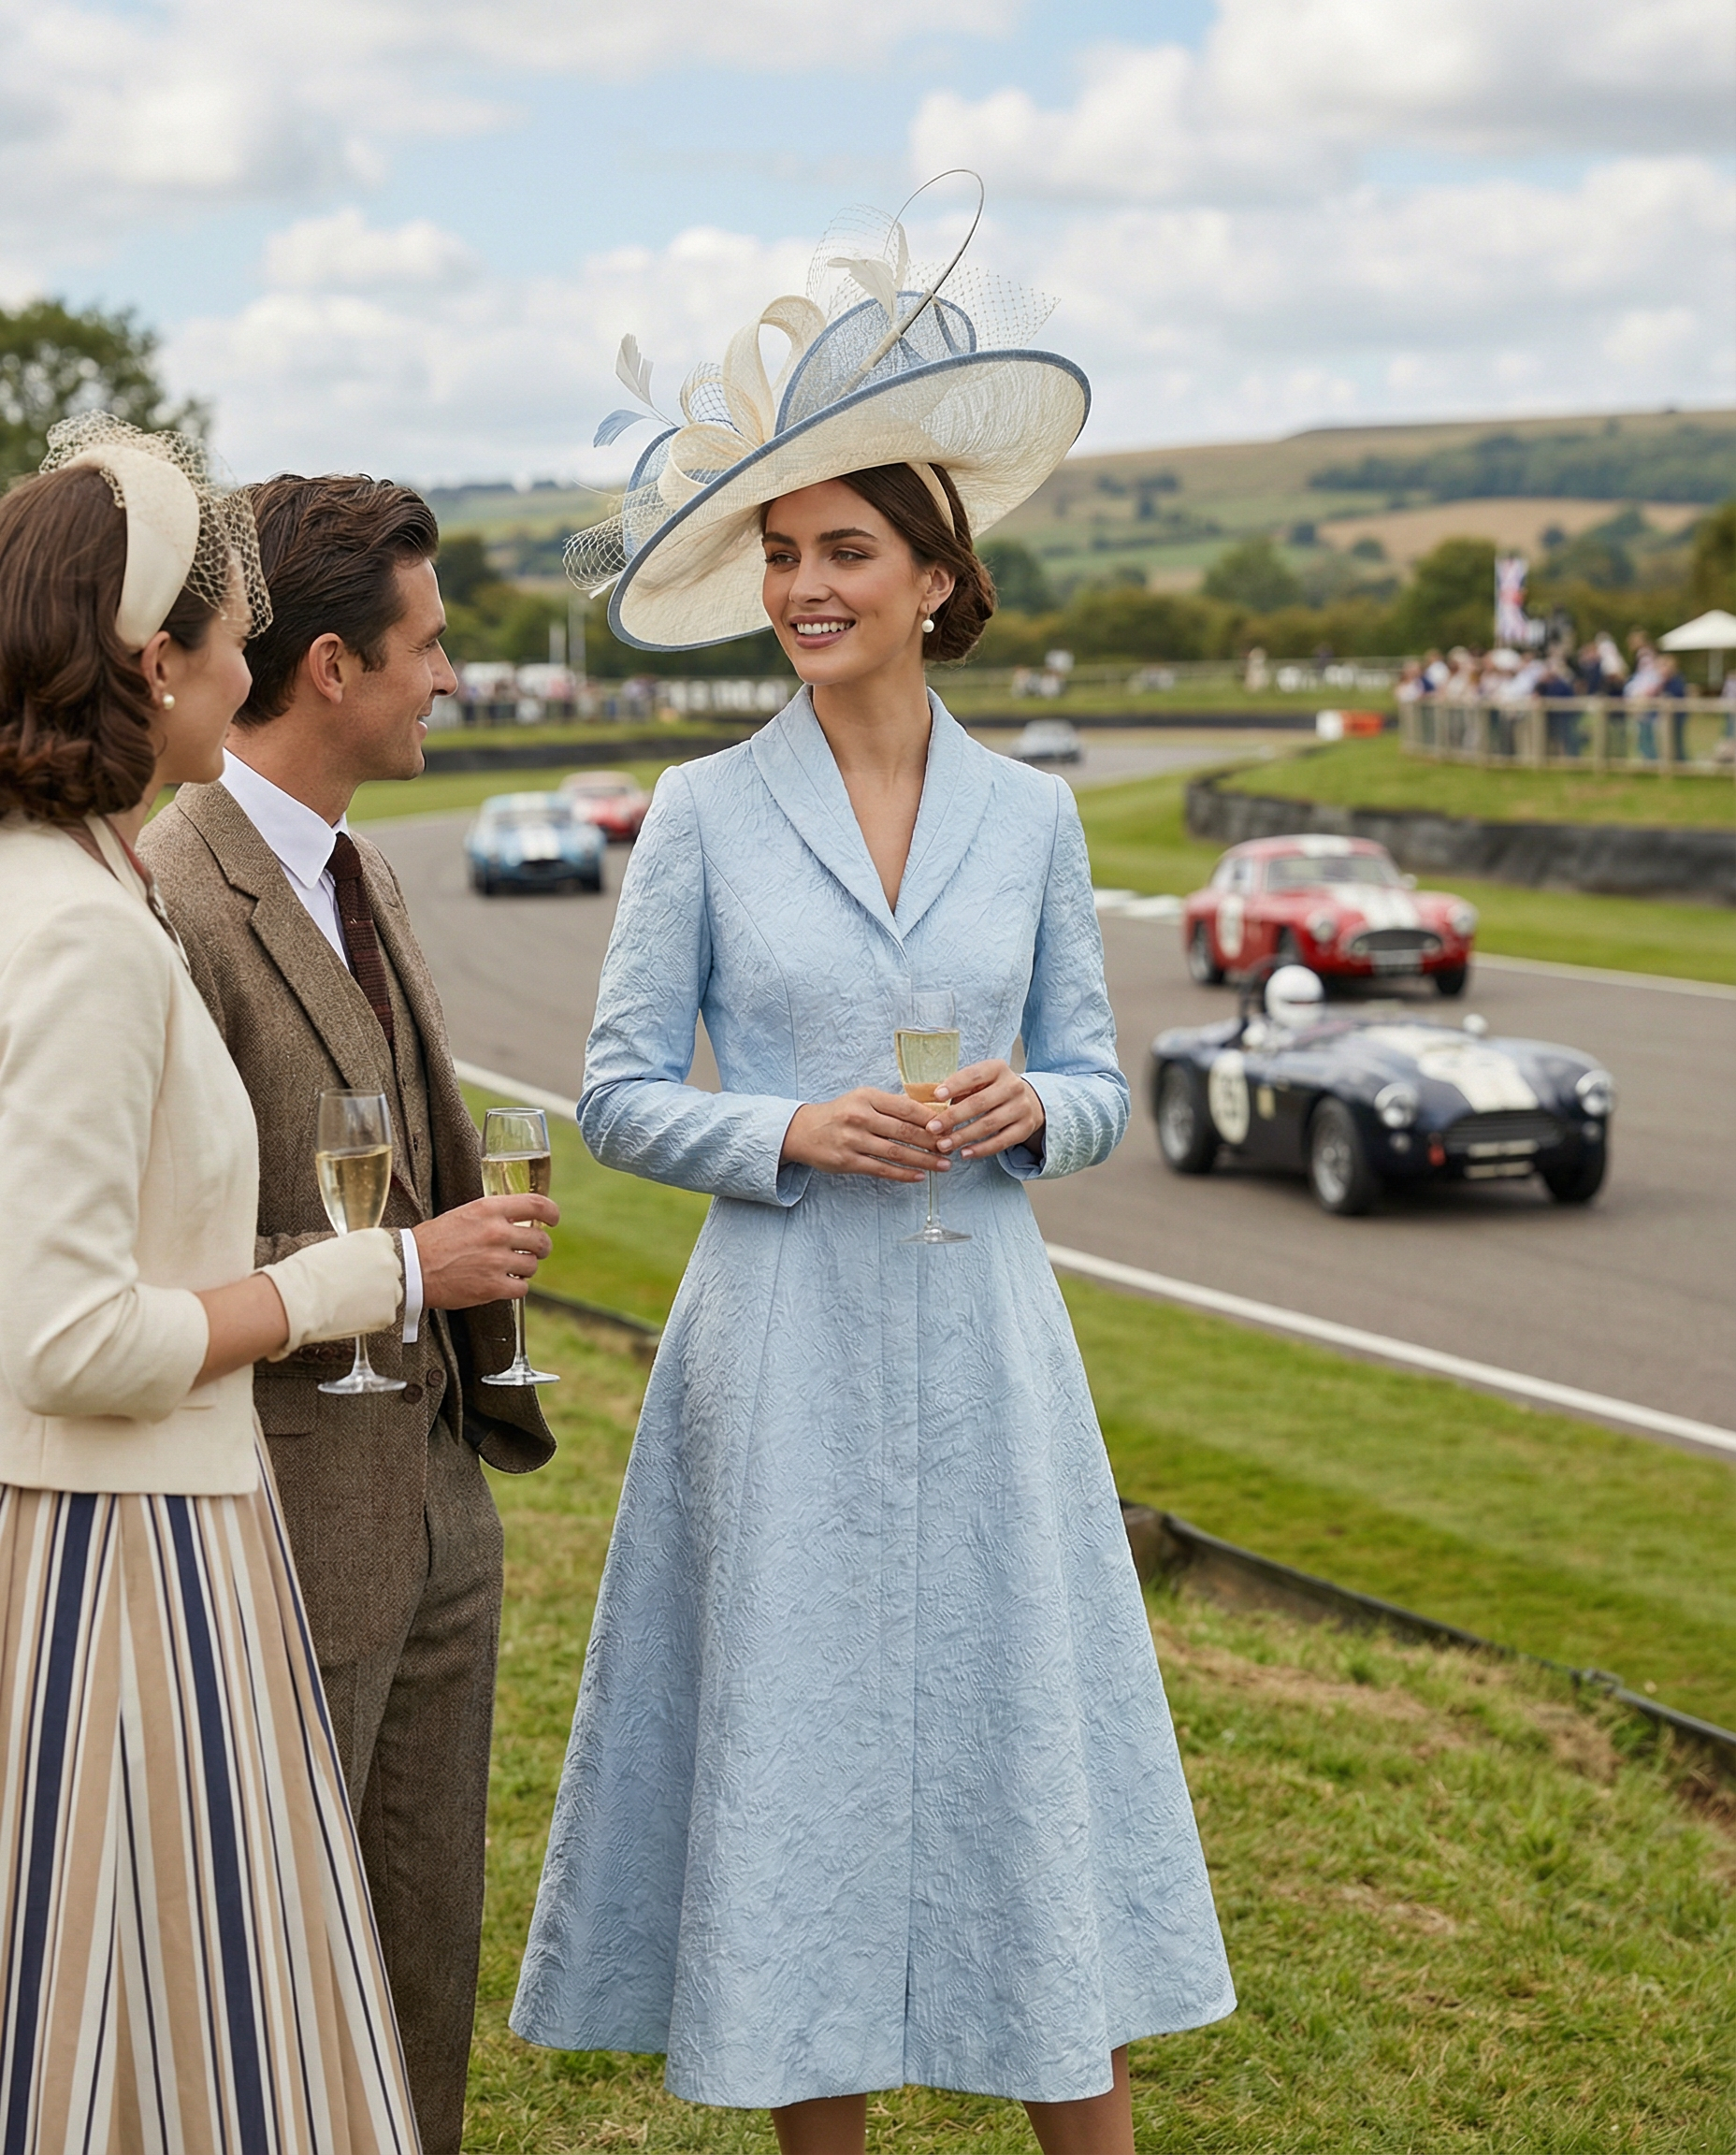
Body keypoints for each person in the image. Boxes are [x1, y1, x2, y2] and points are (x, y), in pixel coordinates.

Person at [512, 197, 1235, 2155]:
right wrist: (786, 1130)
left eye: (845, 551)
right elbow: (617, 1094)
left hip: (991, 1353)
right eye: (782, 554)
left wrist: (1037, 1116)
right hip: (782, 1353)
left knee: (1019, 1761)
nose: (806, 585)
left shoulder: (1035, 821)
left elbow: (1094, 1078)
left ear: (936, 578)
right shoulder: (699, 814)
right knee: (795, 1772)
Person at [0, 414, 422, 2148]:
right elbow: (68, 1336)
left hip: (172, 1519)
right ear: (152, 664)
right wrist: (351, 1283)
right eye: (227, 634)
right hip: (119, 1558)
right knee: (147, 2047)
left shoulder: (75, 878)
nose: (250, 664)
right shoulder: (80, 930)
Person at [140, 473, 558, 2155]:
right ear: (328, 666)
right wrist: (407, 1269)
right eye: (431, 646)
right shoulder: (174, 896)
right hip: (281, 1529)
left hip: (438, 1502)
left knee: (417, 1974)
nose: (450, 675)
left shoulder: (365, 874)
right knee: (272, 1992)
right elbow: (154, 1248)